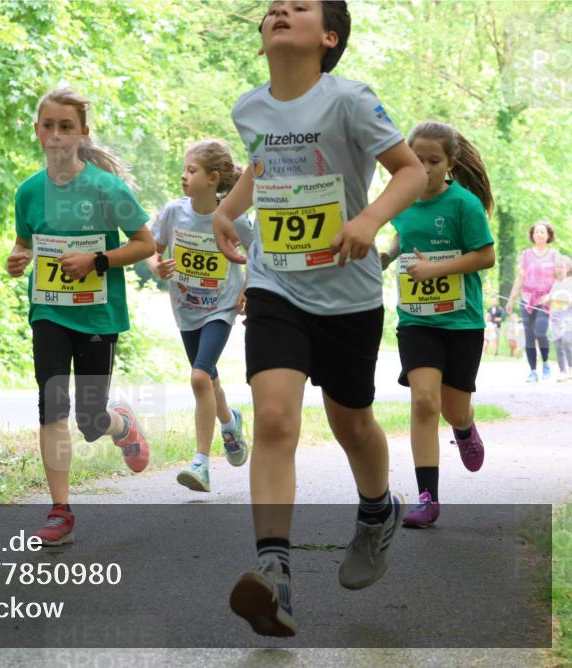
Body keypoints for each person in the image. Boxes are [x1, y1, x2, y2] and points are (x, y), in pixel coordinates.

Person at [211, 0, 426, 636]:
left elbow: (409, 171)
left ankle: (377, 510)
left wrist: (368, 220)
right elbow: (263, 161)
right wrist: (228, 209)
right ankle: (274, 575)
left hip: (349, 296)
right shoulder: (249, 107)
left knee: (351, 422)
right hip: (276, 284)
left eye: (298, 6)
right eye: (273, 7)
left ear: (328, 37)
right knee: (275, 419)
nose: (279, 10)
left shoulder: (351, 100)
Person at [6, 87, 156, 546]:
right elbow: (25, 243)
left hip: (97, 316)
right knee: (52, 404)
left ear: (83, 133)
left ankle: (121, 424)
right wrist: (17, 259)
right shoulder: (29, 192)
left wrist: (98, 261)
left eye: (65, 126)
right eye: (47, 126)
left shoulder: (107, 188)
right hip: (49, 311)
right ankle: (60, 510)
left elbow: (145, 244)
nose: (55, 135)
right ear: (37, 132)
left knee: (91, 421)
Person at [380, 121, 495, 528]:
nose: (425, 168)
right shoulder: (401, 200)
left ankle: (464, 429)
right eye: (418, 159)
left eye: (433, 161)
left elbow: (485, 256)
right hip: (417, 320)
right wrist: (386, 258)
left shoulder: (463, 204)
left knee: (452, 407)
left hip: (462, 322)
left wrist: (436, 268)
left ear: (449, 163)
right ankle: (427, 496)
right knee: (424, 401)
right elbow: (403, 235)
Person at [147, 140, 252, 492]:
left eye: (191, 170)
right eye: (184, 169)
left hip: (220, 309)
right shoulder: (174, 212)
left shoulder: (234, 217)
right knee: (208, 379)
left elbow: (258, 253)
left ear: (213, 178)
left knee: (197, 378)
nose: (183, 176)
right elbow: (153, 249)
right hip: (186, 309)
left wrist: (246, 289)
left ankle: (201, 463)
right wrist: (158, 267)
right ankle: (229, 421)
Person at [507, 221, 560, 382]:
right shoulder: (526, 255)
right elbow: (520, 278)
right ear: (532, 235)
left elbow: (559, 279)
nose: (539, 234)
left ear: (548, 235)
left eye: (542, 232)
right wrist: (511, 299)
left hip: (545, 302)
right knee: (529, 336)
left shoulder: (554, 255)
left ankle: (545, 363)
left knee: (540, 331)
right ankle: (533, 371)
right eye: (536, 232)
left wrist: (550, 295)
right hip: (527, 300)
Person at [545, 255, 572, 382]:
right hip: (555, 319)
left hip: (568, 319)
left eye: (562, 267)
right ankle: (562, 371)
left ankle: (571, 368)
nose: (559, 269)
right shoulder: (555, 284)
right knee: (558, 344)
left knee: (567, 341)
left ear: (568, 268)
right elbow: (550, 300)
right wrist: (547, 300)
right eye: (557, 267)